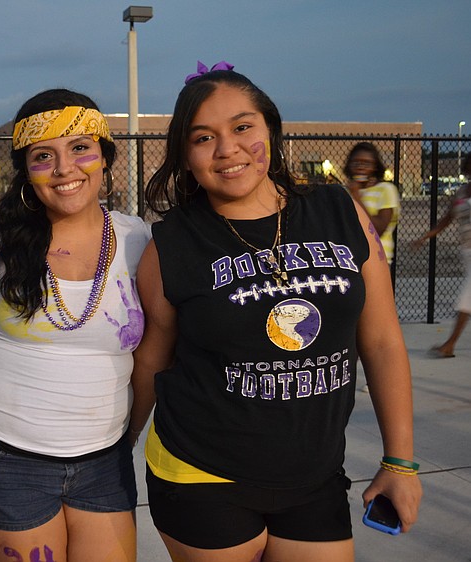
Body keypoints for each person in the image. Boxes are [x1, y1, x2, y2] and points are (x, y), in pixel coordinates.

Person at [130, 63, 422, 562]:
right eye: (204, 137)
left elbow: (381, 341)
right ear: (185, 154)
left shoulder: (338, 209)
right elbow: (152, 363)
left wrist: (400, 461)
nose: (228, 149)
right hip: (201, 472)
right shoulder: (171, 244)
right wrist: (114, 455)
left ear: (270, 128)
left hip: (315, 475)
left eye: (243, 127)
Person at [0, 89, 151, 562]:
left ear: (105, 156)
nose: (64, 168)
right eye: (42, 155)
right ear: (26, 170)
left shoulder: (140, 241)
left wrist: (129, 434)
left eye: (80, 148)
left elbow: (160, 350)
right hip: (9, 461)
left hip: (106, 462)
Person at [412, 154, 471, 358]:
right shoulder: (462, 192)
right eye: (468, 169)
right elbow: (447, 219)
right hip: (467, 251)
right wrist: (425, 237)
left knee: (466, 298)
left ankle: (450, 345)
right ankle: (450, 345)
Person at [343, 141, 400, 265]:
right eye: (356, 162)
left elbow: (378, 229)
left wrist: (357, 197)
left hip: (376, 259)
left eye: (366, 163)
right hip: (350, 260)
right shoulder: (346, 192)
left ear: (375, 167)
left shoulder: (385, 190)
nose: (360, 166)